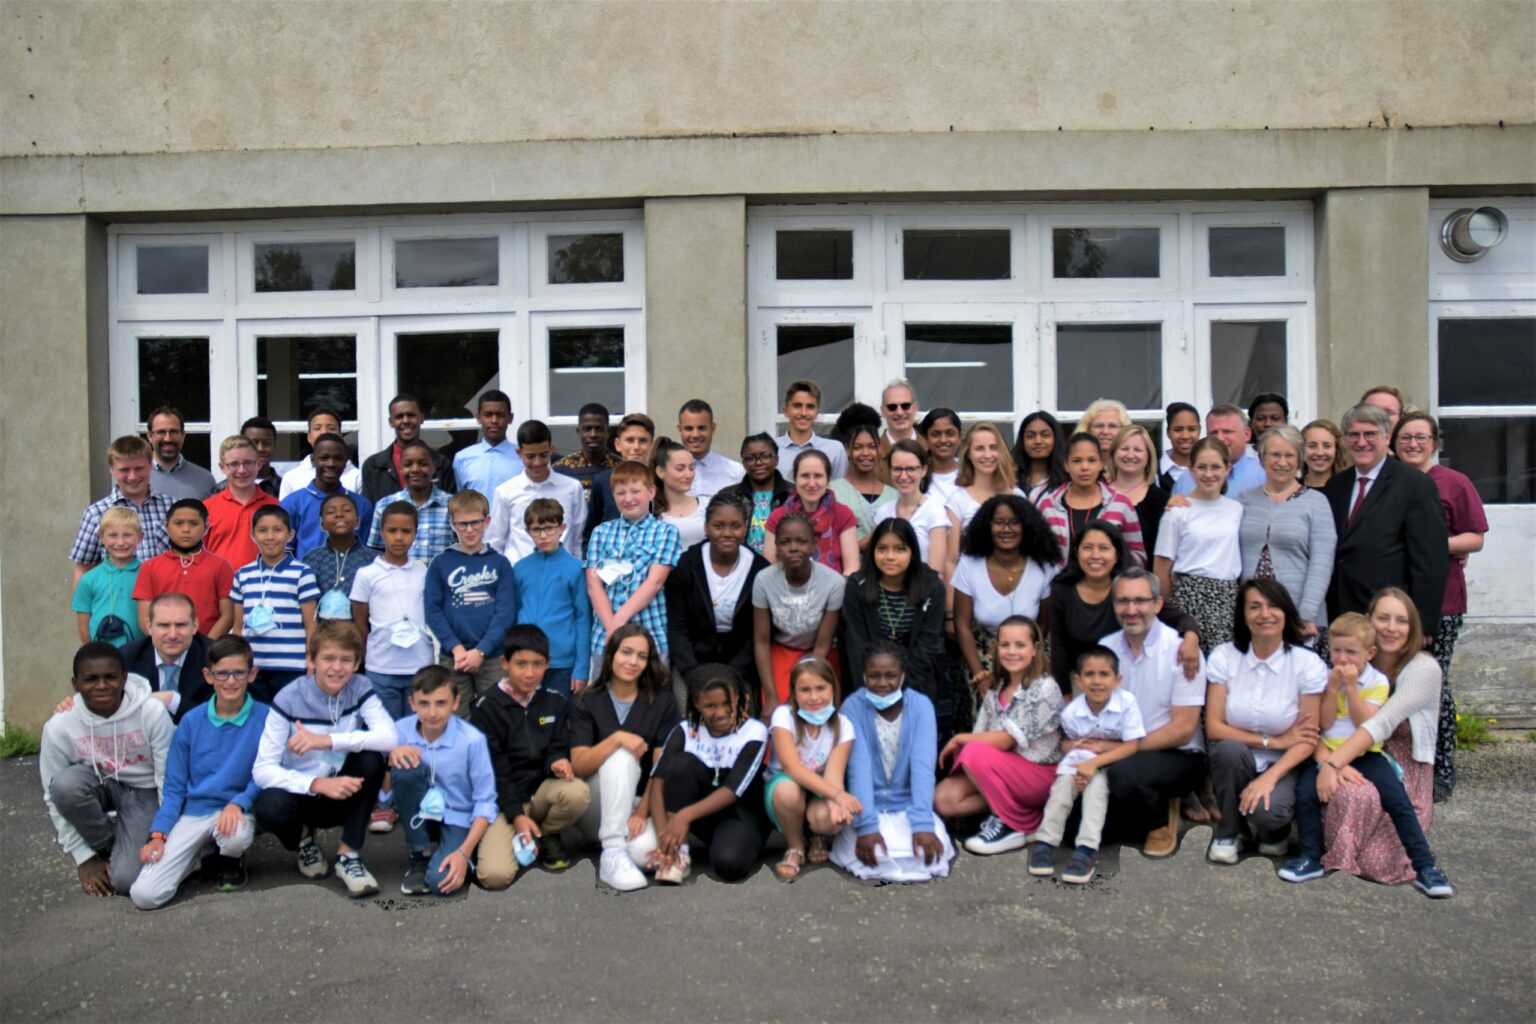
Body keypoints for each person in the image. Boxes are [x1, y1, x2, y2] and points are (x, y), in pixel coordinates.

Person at [1280, 611, 1453, 898]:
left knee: (1397, 799)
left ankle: (1425, 867)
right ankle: (1310, 857)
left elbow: (1366, 722)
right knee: (1306, 793)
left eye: (1351, 652)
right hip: (1330, 751)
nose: (1342, 659)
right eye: (1337, 650)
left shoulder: (1378, 682)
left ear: (1370, 653)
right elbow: (1325, 723)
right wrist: (1332, 689)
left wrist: (1350, 689)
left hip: (1367, 754)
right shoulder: (1326, 678)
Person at [251, 621, 397, 897]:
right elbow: (262, 770)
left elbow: (389, 737)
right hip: (302, 794)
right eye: (328, 658)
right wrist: (316, 784)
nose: (337, 667)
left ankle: (348, 855)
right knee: (269, 806)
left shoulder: (360, 687)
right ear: (311, 660)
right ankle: (304, 838)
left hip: (342, 790)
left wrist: (327, 740)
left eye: (346, 660)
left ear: (357, 663)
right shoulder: (288, 698)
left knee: (371, 759)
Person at [129, 635, 268, 908]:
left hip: (235, 809)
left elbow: (266, 772)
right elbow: (174, 788)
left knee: (234, 837)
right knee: (144, 895)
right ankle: (198, 857)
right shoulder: (191, 722)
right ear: (208, 675)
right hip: (194, 812)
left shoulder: (266, 718)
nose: (230, 681)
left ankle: (230, 857)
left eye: (239, 673)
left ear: (252, 675)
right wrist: (158, 834)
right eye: (222, 673)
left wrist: (239, 802)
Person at [1391, 411, 1488, 800]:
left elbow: (1475, 537)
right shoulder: (1389, 481)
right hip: (1394, 600)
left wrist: (1431, 542)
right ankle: (1402, 767)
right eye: (1406, 437)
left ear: (1435, 443)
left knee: (1434, 682)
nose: (1413, 444)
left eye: (1421, 437)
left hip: (1442, 600)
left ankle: (1441, 769)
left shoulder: (1453, 482)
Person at [1204, 578, 1326, 864]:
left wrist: (1269, 778)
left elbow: (1307, 739)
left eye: (1273, 606)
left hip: (1285, 764)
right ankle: (1230, 832)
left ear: (1286, 612)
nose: (1265, 614)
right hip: (1239, 758)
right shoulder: (1225, 656)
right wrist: (1273, 741)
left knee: (1268, 813)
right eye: (1255, 607)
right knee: (1228, 749)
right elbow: (1214, 728)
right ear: (1243, 615)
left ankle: (1274, 833)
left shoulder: (1307, 664)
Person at [41, 643, 173, 898]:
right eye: (91, 679)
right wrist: (84, 858)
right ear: (75, 683)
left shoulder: (151, 712)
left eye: (110, 677)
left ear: (124, 678)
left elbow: (167, 779)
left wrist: (163, 835)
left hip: (145, 791)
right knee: (64, 785)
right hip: (100, 784)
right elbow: (52, 795)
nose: (101, 686)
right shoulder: (59, 726)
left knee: (126, 881)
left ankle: (131, 845)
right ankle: (107, 847)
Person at [471, 626, 593, 885]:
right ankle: (517, 830)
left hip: (540, 794)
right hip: (502, 801)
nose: (529, 673)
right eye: (521, 664)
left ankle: (546, 833)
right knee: (494, 876)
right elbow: (495, 770)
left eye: (537, 664)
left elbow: (557, 746)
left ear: (548, 663)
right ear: (505, 663)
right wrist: (516, 815)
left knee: (576, 792)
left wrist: (557, 761)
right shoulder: (486, 707)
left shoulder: (555, 701)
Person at [1100, 568, 1208, 857]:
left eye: (1140, 601)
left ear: (1158, 604)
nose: (1131, 609)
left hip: (1178, 755)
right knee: (1076, 828)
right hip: (1122, 752)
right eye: (1123, 601)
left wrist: (1122, 749)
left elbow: (1183, 729)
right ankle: (1139, 813)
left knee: (1123, 775)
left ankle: (1161, 819)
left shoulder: (1181, 651)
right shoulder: (1106, 649)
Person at [935, 616, 1063, 856]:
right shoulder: (996, 689)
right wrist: (968, 743)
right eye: (1005, 645)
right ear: (996, 648)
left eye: (1020, 645)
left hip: (1040, 774)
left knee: (973, 750)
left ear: (1035, 649)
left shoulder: (1044, 687)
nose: (1011, 652)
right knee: (944, 798)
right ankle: (1031, 817)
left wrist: (960, 739)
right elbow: (981, 734)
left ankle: (1014, 824)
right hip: (1007, 773)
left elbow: (1006, 740)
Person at [568, 625, 680, 892]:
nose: (633, 661)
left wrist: (642, 812)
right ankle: (613, 852)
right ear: (611, 655)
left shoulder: (662, 700)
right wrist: (616, 739)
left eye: (641, 656)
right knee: (620, 755)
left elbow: (661, 766)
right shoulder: (587, 700)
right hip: (596, 803)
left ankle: (620, 847)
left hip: (637, 803)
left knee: (646, 855)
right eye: (626, 652)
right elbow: (579, 765)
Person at [1323, 403, 1449, 638]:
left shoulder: (1415, 485)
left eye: (1370, 434)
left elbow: (1430, 562)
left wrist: (1422, 625)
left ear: (1387, 437)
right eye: (1353, 435)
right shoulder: (1335, 486)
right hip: (1342, 615)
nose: (1361, 442)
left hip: (1391, 620)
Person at [833, 642, 954, 883]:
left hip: (910, 808)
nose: (882, 683)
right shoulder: (852, 707)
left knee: (927, 854)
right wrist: (866, 827)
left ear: (903, 675)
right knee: (874, 855)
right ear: (864, 675)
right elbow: (859, 769)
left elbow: (923, 768)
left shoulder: (921, 706)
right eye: (874, 676)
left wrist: (922, 824)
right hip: (866, 809)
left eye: (890, 675)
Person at [1028, 645, 1145, 884]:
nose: (1097, 681)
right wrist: (1080, 767)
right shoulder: (1072, 713)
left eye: (1104, 674)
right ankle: (1045, 843)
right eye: (1089, 674)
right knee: (1061, 790)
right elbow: (1069, 747)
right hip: (1079, 763)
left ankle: (1086, 851)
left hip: (1112, 764)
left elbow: (1132, 746)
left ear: (1118, 679)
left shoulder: (1127, 703)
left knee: (1096, 789)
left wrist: (1095, 762)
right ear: (1079, 681)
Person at [648, 664, 770, 884]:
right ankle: (679, 852)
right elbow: (658, 784)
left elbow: (732, 790)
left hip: (739, 814)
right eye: (710, 705)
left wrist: (684, 816)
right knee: (681, 764)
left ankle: (729, 841)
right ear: (697, 703)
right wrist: (664, 839)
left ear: (738, 697)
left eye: (727, 703)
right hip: (700, 818)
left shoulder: (754, 732)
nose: (721, 712)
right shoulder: (684, 730)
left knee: (729, 864)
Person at [1047, 522, 1202, 691]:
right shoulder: (1062, 589)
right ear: (1077, 553)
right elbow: (1059, 647)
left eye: (1104, 548)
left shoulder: (1128, 588)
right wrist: (1066, 694)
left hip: (1128, 675)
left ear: (1117, 555)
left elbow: (1180, 618)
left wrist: (1191, 639)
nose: (1095, 555)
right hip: (1082, 679)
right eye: (1087, 548)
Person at [387, 665, 497, 896]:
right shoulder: (399, 731)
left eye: (441, 703)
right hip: (420, 815)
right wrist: (390, 755)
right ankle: (420, 854)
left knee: (440, 882)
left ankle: (466, 854)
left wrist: (463, 852)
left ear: (455, 703)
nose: (432, 713)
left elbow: (486, 801)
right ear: (412, 703)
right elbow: (385, 785)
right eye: (424, 703)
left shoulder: (472, 740)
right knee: (404, 769)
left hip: (458, 815)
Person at [666, 492, 771, 698]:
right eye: (719, 526)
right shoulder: (686, 566)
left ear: (745, 528)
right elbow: (677, 630)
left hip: (740, 667)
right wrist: (693, 674)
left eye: (735, 526)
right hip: (692, 665)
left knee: (736, 711)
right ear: (706, 528)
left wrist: (732, 676)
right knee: (688, 711)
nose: (727, 533)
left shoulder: (760, 571)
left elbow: (756, 637)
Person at [1237, 424, 1336, 639]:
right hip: (1252, 613)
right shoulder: (1244, 500)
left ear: (1299, 460)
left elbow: (1321, 563)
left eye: (1289, 456)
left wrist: (1306, 614)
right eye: (1275, 455)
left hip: (1298, 615)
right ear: (1262, 458)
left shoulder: (1316, 502)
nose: (1282, 463)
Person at [584, 460, 683, 675]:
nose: (628, 498)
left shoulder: (666, 532)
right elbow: (594, 585)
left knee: (653, 694)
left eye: (635, 491)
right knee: (604, 694)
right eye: (621, 493)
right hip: (606, 638)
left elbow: (655, 582)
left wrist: (619, 621)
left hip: (650, 636)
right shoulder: (601, 532)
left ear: (651, 492)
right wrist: (612, 628)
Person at [764, 657, 860, 879]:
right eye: (805, 690)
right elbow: (791, 768)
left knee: (829, 818)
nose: (814, 697)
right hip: (786, 783)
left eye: (821, 688)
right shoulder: (783, 716)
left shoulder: (843, 725)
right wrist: (838, 795)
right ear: (794, 692)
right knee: (787, 792)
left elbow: (834, 775)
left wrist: (835, 803)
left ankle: (819, 836)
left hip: (821, 787)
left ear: (833, 688)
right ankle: (795, 845)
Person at [952, 495, 1061, 687]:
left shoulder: (1044, 567)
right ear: (987, 526)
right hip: (984, 652)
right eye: (999, 522)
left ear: (1027, 526)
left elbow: (1043, 625)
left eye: (1014, 522)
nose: (1006, 529)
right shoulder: (969, 564)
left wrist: (1025, 662)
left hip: (1030, 651)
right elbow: (962, 625)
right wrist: (980, 676)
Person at [424, 489, 517, 713]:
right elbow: (433, 611)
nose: (469, 530)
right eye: (462, 524)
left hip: (492, 656)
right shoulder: (440, 563)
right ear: (452, 524)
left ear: (487, 522)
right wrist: (456, 648)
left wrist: (481, 650)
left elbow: (506, 613)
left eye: (475, 523)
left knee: (495, 715)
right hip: (453, 657)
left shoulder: (500, 563)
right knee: (456, 716)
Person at [841, 518, 947, 705]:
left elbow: (927, 646)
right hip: (868, 688)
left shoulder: (932, 586)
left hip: (916, 688)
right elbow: (857, 647)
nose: (889, 556)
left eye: (899, 549)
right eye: (882, 549)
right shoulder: (857, 586)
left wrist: (900, 693)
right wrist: (874, 692)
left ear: (912, 552)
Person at [1154, 436, 1243, 654]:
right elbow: (1161, 568)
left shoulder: (1237, 509)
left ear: (1227, 468)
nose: (1209, 474)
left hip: (1228, 600)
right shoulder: (1177, 512)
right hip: (1189, 598)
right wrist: (1169, 611)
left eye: (1216, 467)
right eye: (1202, 467)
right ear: (1191, 470)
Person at [753, 512, 846, 714]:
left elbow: (823, 644)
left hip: (818, 653)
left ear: (814, 545)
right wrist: (771, 696)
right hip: (781, 650)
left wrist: (793, 697)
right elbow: (761, 641)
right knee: (776, 713)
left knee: (812, 707)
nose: (793, 548)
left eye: (801, 541)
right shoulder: (763, 580)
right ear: (776, 546)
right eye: (785, 542)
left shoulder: (834, 583)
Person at [350, 502, 434, 721]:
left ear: (415, 533)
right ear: (381, 531)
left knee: (418, 729)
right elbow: (360, 622)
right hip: (381, 667)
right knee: (385, 731)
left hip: (420, 665)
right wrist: (366, 656)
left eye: (406, 531)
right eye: (392, 530)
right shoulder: (366, 574)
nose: (399, 537)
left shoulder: (424, 571)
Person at [230, 505, 320, 703]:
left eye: (277, 530)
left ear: (290, 534)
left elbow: (311, 624)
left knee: (289, 715)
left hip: (292, 665)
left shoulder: (302, 573)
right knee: (257, 715)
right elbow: (237, 627)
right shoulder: (242, 574)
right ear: (253, 535)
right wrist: (236, 661)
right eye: (262, 530)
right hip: (252, 666)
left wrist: (311, 660)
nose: (270, 536)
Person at [511, 498, 593, 698]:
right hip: (526, 658)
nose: (543, 535)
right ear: (527, 531)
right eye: (537, 530)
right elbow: (514, 612)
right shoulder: (520, 568)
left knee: (558, 713)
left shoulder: (575, 568)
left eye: (549, 528)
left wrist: (581, 669)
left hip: (561, 662)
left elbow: (583, 619)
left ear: (562, 528)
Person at [69, 435, 173, 586]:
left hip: (164, 596)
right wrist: (82, 601)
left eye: (139, 468)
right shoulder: (96, 513)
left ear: (151, 466)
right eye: (124, 470)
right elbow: (84, 568)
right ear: (111, 470)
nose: (132, 476)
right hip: (115, 596)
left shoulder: (172, 508)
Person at [1038, 432, 1147, 567]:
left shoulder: (1120, 503)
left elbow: (1138, 554)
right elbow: (1038, 553)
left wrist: (1113, 566)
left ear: (1101, 464)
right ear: (1066, 465)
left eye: (1092, 460)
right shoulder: (1048, 504)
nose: (1085, 467)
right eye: (1077, 461)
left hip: (1110, 579)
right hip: (1060, 579)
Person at [132, 498, 234, 638]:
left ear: (206, 527)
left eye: (194, 524)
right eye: (178, 523)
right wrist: (168, 642)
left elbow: (228, 615)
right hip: (165, 645)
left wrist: (207, 645)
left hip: (208, 646)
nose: (186, 529)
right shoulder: (149, 567)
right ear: (166, 526)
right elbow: (145, 619)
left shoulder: (221, 565)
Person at [486, 420, 586, 563]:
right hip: (518, 572)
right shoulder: (505, 492)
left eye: (543, 455)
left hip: (563, 571)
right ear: (519, 453)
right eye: (530, 456)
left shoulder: (572, 488)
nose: (537, 462)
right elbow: (495, 541)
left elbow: (578, 539)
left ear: (551, 450)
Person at [763, 450, 859, 575]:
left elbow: (852, 568)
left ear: (828, 479)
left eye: (818, 476)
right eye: (805, 476)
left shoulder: (843, 514)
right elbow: (770, 568)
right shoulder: (777, 517)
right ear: (795, 479)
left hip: (837, 586)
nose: (812, 484)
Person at [121, 593, 213, 722]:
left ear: (195, 626)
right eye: (164, 625)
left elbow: (218, 716)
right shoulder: (127, 657)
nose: (172, 635)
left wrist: (173, 701)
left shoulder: (214, 658)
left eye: (180, 625)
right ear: (149, 627)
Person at [280, 433, 374, 558]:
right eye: (324, 458)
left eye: (338, 458)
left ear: (345, 462)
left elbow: (367, 553)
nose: (331, 464)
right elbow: (283, 553)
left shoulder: (362, 505)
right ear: (314, 460)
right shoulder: (292, 503)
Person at [366, 439, 454, 562]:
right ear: (400, 468)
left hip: (439, 574)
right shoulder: (384, 506)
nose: (415, 469)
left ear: (433, 468)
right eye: (408, 464)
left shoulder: (453, 506)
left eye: (423, 464)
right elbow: (375, 551)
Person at [360, 393, 456, 502]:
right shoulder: (373, 466)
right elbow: (370, 508)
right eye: (399, 417)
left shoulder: (441, 463)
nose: (405, 421)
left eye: (411, 415)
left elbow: (450, 506)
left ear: (421, 418)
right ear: (391, 422)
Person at [872, 440, 950, 573]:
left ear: (924, 470)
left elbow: (935, 571)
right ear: (890, 471)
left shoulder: (935, 512)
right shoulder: (883, 512)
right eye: (897, 469)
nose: (903, 476)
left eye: (911, 469)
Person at [72, 507, 145, 648]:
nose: (120, 542)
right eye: (113, 535)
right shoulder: (88, 579)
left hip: (140, 653)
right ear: (101, 537)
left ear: (140, 537)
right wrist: (94, 653)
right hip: (102, 653)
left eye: (127, 535)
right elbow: (83, 627)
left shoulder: (149, 575)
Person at [204, 435, 280, 570]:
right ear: (222, 467)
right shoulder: (206, 509)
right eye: (234, 464)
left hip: (266, 582)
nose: (242, 470)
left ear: (258, 464)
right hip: (221, 583)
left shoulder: (277, 507)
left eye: (248, 463)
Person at [298, 492, 378, 621]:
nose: (339, 514)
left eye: (346, 510)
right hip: (321, 631)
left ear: (357, 522)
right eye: (331, 512)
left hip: (363, 631)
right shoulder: (311, 559)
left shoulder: (374, 560)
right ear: (322, 524)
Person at [944, 422, 1023, 553]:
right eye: (979, 448)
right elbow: (951, 560)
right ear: (968, 454)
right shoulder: (957, 501)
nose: (987, 455)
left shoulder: (1018, 496)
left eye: (993, 447)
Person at [584, 413, 656, 548]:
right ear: (618, 444)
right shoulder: (603, 481)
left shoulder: (661, 480)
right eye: (630, 440)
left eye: (643, 441)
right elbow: (591, 530)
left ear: (651, 445)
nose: (636, 446)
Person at [719, 432, 791, 556]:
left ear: (776, 460)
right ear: (743, 463)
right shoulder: (728, 496)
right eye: (751, 458)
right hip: (741, 565)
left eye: (765, 456)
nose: (758, 462)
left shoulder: (793, 495)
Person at [1170, 405, 1265, 498]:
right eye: (1213, 433)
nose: (1219, 438)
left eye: (1227, 431)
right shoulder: (1187, 479)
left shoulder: (1264, 476)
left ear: (1246, 434)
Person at [828, 420, 895, 549]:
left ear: (879, 448)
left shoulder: (894, 495)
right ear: (847, 449)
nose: (865, 453)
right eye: (857, 447)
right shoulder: (832, 491)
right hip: (845, 561)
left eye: (872, 446)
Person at [1107, 423, 1168, 553]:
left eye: (1138, 450)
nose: (1130, 455)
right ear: (1113, 453)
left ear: (1148, 456)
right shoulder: (1097, 493)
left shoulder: (1161, 500)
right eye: (1124, 449)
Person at [451, 390, 523, 499]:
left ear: (510, 418)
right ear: (478, 418)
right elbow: (460, 499)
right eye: (488, 415)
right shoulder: (462, 458)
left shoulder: (522, 456)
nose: (494, 420)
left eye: (500, 415)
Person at [278, 407, 363, 499]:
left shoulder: (357, 477)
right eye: (317, 428)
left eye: (331, 428)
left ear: (340, 435)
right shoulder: (291, 477)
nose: (324, 432)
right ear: (309, 437)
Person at [776, 379, 848, 482]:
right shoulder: (772, 450)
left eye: (810, 407)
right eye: (797, 406)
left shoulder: (835, 450)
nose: (804, 413)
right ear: (786, 411)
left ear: (817, 412)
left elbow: (839, 490)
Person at [145, 405, 217, 500]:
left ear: (183, 435)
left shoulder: (205, 479)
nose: (167, 439)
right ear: (150, 436)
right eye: (161, 432)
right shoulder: (135, 478)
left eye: (174, 432)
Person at [678, 399, 744, 499]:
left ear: (712, 428)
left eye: (701, 428)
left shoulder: (736, 472)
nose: (695, 435)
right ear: (679, 430)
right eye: (689, 428)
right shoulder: (667, 473)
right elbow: (655, 503)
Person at [651, 436, 706, 550]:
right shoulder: (649, 511)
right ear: (660, 472)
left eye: (691, 468)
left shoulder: (707, 505)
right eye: (680, 469)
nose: (689, 475)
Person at [553, 402, 614, 502]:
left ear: (608, 432)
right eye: (587, 429)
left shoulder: (621, 468)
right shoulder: (560, 470)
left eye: (599, 429)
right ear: (578, 432)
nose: (593, 434)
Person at [1015, 410, 1067, 504]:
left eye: (1045, 435)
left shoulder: (1068, 479)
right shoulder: (1010, 479)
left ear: (1056, 438)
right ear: (1022, 440)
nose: (1038, 441)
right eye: (1030, 436)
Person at [919, 407, 963, 500]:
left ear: (959, 437)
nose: (943, 440)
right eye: (935, 434)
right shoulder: (917, 475)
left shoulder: (970, 471)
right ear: (925, 439)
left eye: (950, 434)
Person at [1157, 402, 1202, 493]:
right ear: (1168, 432)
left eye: (1191, 429)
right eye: (1178, 430)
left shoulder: (1210, 471)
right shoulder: (1153, 472)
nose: (1185, 436)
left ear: (1199, 430)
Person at [239, 416, 282, 498]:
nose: (260, 449)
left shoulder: (284, 487)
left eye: (267, 443)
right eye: (254, 443)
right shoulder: (224, 488)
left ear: (274, 446)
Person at [878, 378, 921, 458]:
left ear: (915, 408)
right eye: (892, 407)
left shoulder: (932, 450)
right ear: (883, 411)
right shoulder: (873, 453)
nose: (899, 413)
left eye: (905, 406)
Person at [1302, 418, 1350, 489]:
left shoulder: (1349, 489)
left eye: (1327, 446)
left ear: (1337, 450)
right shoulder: (1290, 489)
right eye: (1312, 446)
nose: (1320, 453)